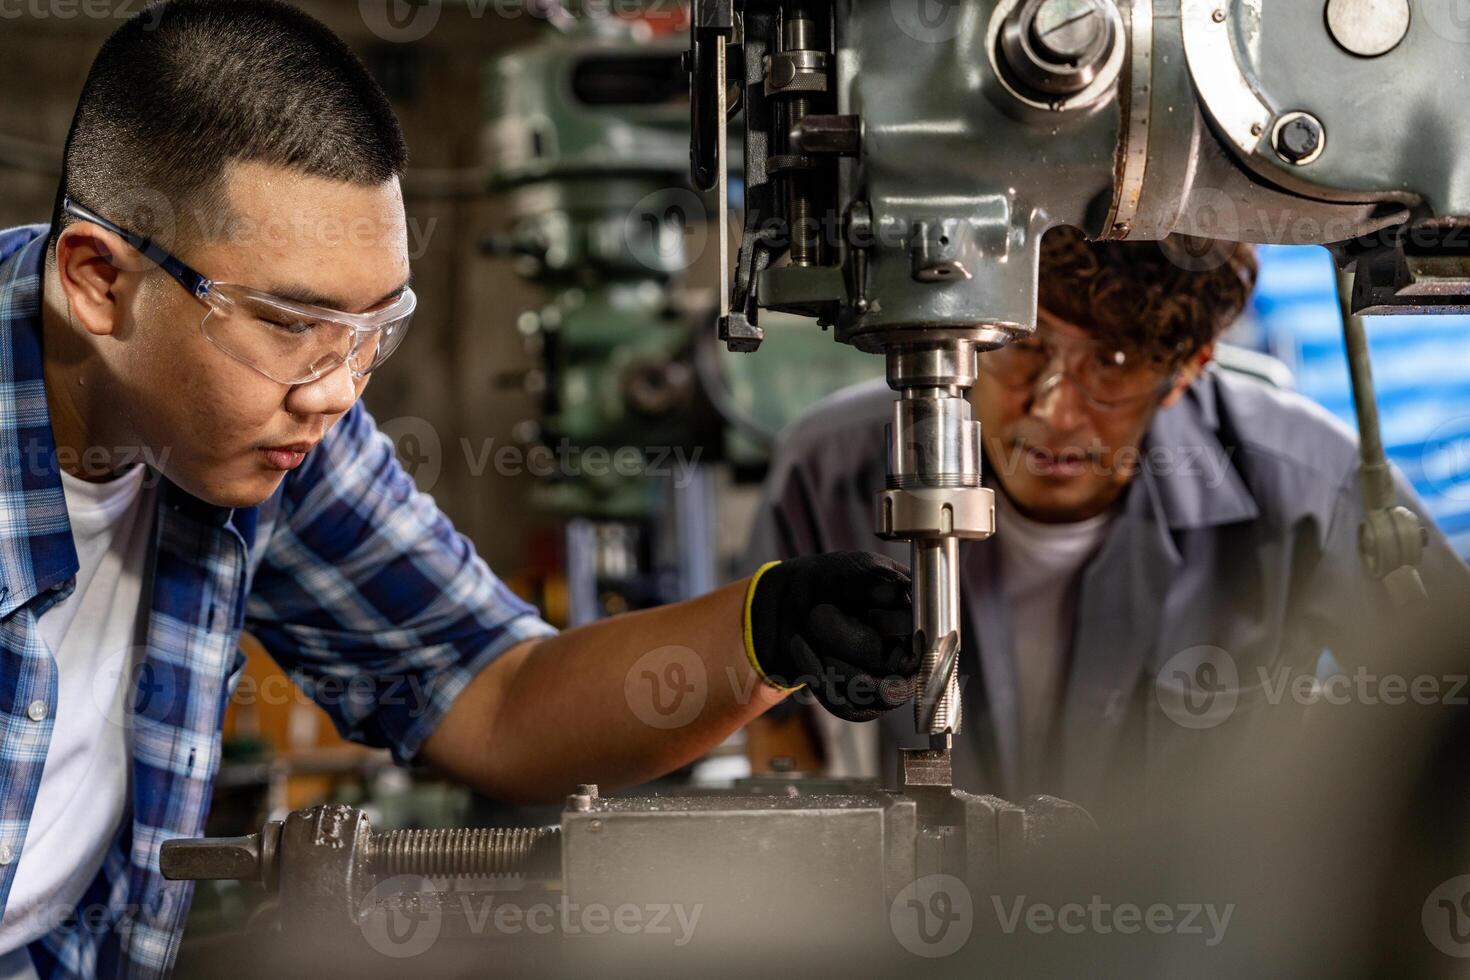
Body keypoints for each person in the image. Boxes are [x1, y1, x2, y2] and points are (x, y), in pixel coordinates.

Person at [0, 3, 919, 976]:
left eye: (371, 333)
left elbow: (496, 695)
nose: (338, 392)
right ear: (99, 281)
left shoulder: (275, 429)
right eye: (289, 323)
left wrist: (766, 629)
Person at [749, 226, 1470, 813]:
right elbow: (772, 735)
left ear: (1188, 365)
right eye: (1024, 346)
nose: (1055, 411)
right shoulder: (829, 470)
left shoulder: (1309, 483)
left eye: (1114, 362)